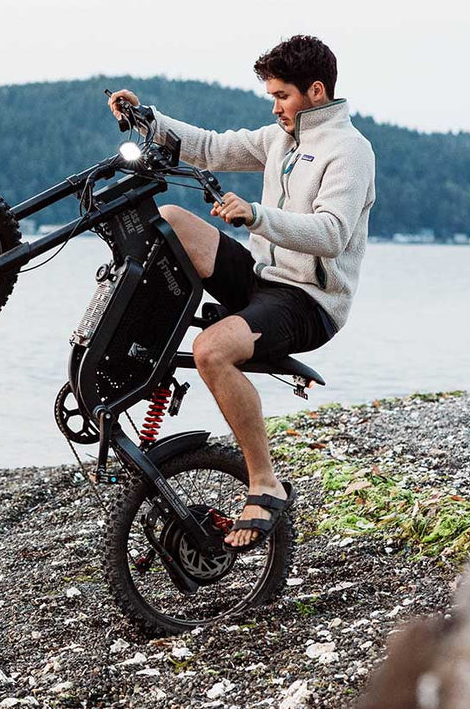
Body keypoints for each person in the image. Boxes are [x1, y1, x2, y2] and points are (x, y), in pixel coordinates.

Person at [107, 35, 376, 552]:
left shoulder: (349, 151)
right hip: (261, 278)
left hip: (308, 302)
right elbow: (211, 147)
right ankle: (133, 346)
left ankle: (264, 483)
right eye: (272, 97)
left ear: (316, 91)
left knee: (210, 351)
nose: (275, 107)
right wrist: (148, 121)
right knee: (170, 221)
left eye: (282, 96)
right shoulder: (280, 138)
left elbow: (331, 234)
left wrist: (256, 215)